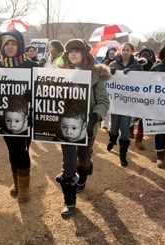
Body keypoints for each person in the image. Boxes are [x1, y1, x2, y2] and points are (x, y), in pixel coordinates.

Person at [56, 38, 110, 216]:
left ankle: (86, 169)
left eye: (77, 50)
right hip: (67, 127)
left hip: (88, 126)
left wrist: (95, 117)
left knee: (84, 159)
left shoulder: (95, 75)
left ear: (84, 53)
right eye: (70, 50)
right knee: (69, 164)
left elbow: (103, 100)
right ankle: (69, 202)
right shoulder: (59, 73)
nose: (72, 53)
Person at [0, 29, 38, 202]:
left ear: (20, 45)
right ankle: (16, 181)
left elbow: (42, 91)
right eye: (6, 45)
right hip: (5, 116)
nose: (10, 47)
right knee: (11, 149)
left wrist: (32, 94)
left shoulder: (32, 65)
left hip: (26, 117)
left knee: (22, 149)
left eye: (13, 44)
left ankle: (25, 187)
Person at [107, 42, 143, 167]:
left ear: (132, 51)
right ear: (120, 51)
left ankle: (123, 155)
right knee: (114, 127)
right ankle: (112, 140)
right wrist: (109, 72)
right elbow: (105, 78)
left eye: (128, 50)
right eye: (124, 50)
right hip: (116, 102)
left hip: (128, 103)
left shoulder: (137, 66)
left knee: (125, 129)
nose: (126, 52)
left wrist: (132, 75)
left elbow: (143, 81)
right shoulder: (113, 64)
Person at [131, 48, 156, 150]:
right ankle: (130, 131)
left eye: (147, 55)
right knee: (131, 115)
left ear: (151, 56)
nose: (145, 57)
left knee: (143, 117)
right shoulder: (135, 65)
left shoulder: (155, 66)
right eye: (143, 55)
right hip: (135, 94)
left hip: (148, 96)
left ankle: (139, 139)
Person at [101, 47, 117, 130]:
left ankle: (113, 125)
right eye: (109, 54)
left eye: (113, 54)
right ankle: (106, 123)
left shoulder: (118, 63)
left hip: (116, 88)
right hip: (106, 87)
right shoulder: (105, 62)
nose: (111, 55)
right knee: (107, 105)